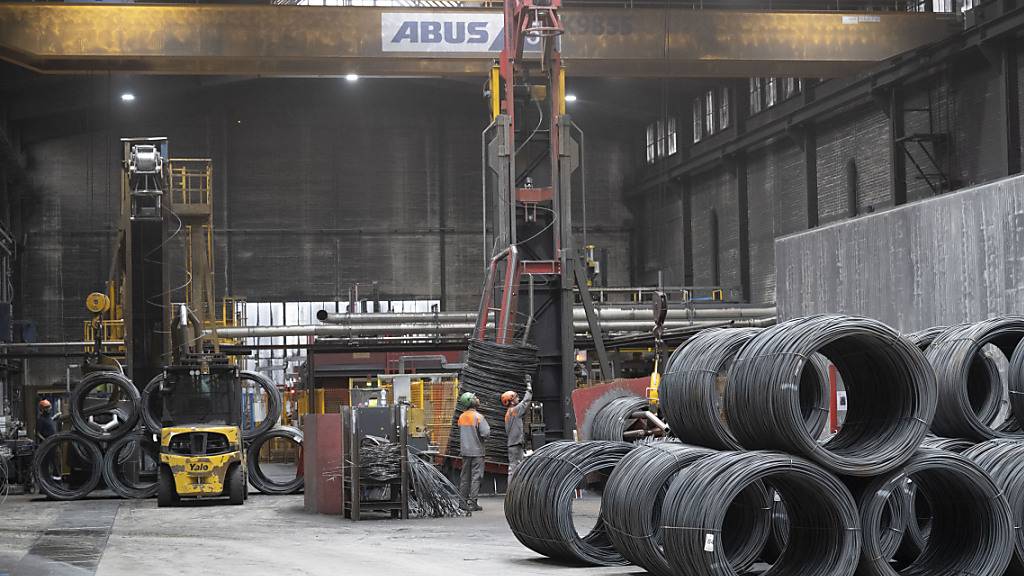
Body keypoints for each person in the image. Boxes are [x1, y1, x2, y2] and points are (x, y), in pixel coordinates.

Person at [457, 392, 489, 513]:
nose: (477, 399)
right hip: (477, 452)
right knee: (476, 477)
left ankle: (462, 502)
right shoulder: (478, 417)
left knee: (465, 478)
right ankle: (473, 502)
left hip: (465, 452)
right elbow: (485, 433)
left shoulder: (461, 417)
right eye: (475, 398)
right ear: (471, 401)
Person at [501, 375, 533, 479]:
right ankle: (512, 492)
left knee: (515, 469)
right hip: (515, 445)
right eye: (516, 397)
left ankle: (514, 492)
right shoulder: (514, 411)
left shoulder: (508, 413)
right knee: (515, 469)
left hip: (513, 444)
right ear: (511, 401)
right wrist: (529, 386)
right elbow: (526, 401)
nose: (518, 398)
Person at [37, 399, 60, 481]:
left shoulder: (49, 418)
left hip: (52, 444)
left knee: (54, 462)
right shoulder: (41, 420)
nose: (49, 409)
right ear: (42, 409)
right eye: (46, 407)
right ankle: (47, 482)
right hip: (47, 445)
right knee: (46, 463)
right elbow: (37, 433)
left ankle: (55, 481)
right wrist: (45, 441)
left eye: (49, 407)